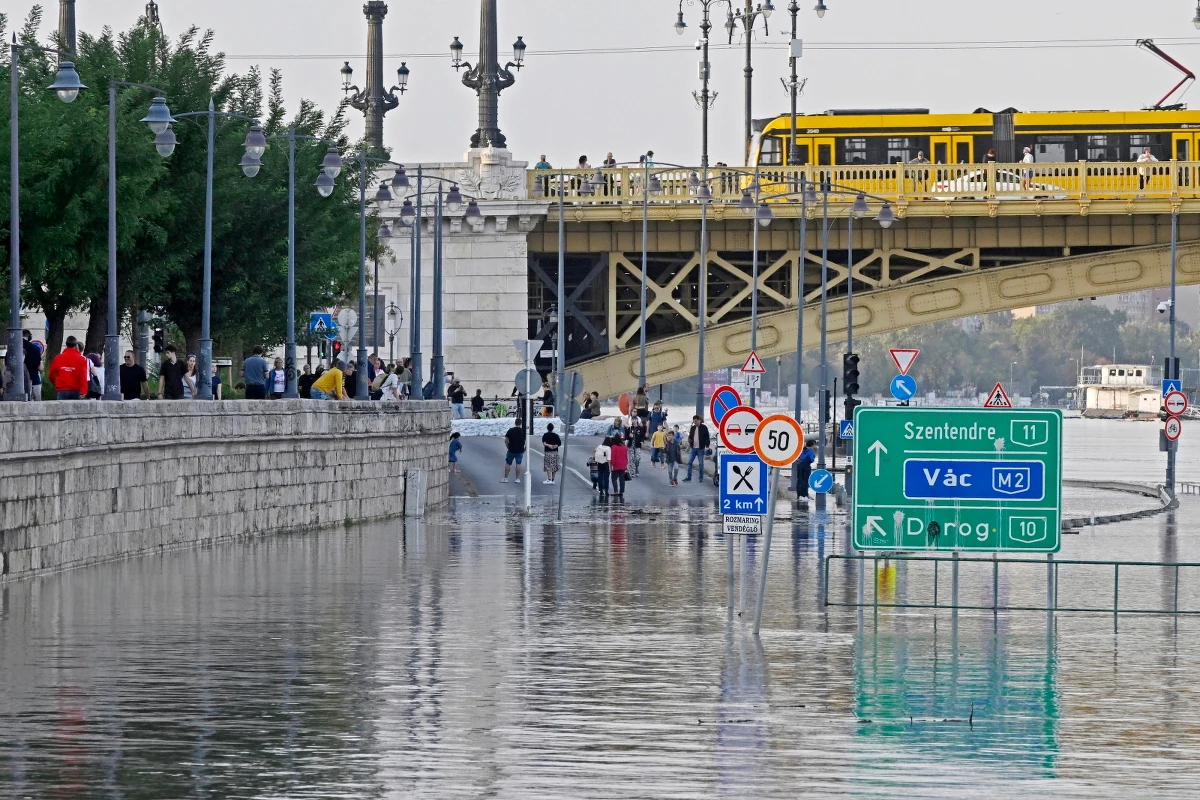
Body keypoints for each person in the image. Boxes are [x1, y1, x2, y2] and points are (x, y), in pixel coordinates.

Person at [683, 415, 711, 482]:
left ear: (699, 420)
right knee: (689, 462)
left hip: (700, 448)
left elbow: (707, 437)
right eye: (694, 421)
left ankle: (701, 477)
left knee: (701, 463)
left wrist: (707, 446)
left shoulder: (704, 428)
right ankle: (689, 477)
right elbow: (690, 436)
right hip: (693, 448)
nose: (695, 422)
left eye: (696, 421)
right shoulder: (692, 428)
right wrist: (689, 440)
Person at [22, 330, 41, 401]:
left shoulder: (13, 348)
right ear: (29, 337)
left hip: (17, 384)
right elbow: (40, 367)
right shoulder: (35, 348)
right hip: (34, 380)